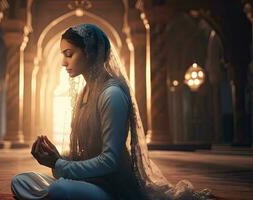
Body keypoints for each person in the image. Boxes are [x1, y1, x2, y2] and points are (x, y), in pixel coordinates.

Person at [11, 24, 214, 200]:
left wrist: (59, 164)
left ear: (89, 52)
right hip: (90, 181)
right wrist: (55, 157)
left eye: (69, 54)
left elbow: (110, 161)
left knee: (59, 189)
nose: (64, 63)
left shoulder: (112, 94)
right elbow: (86, 152)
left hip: (112, 188)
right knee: (21, 181)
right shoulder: (85, 93)